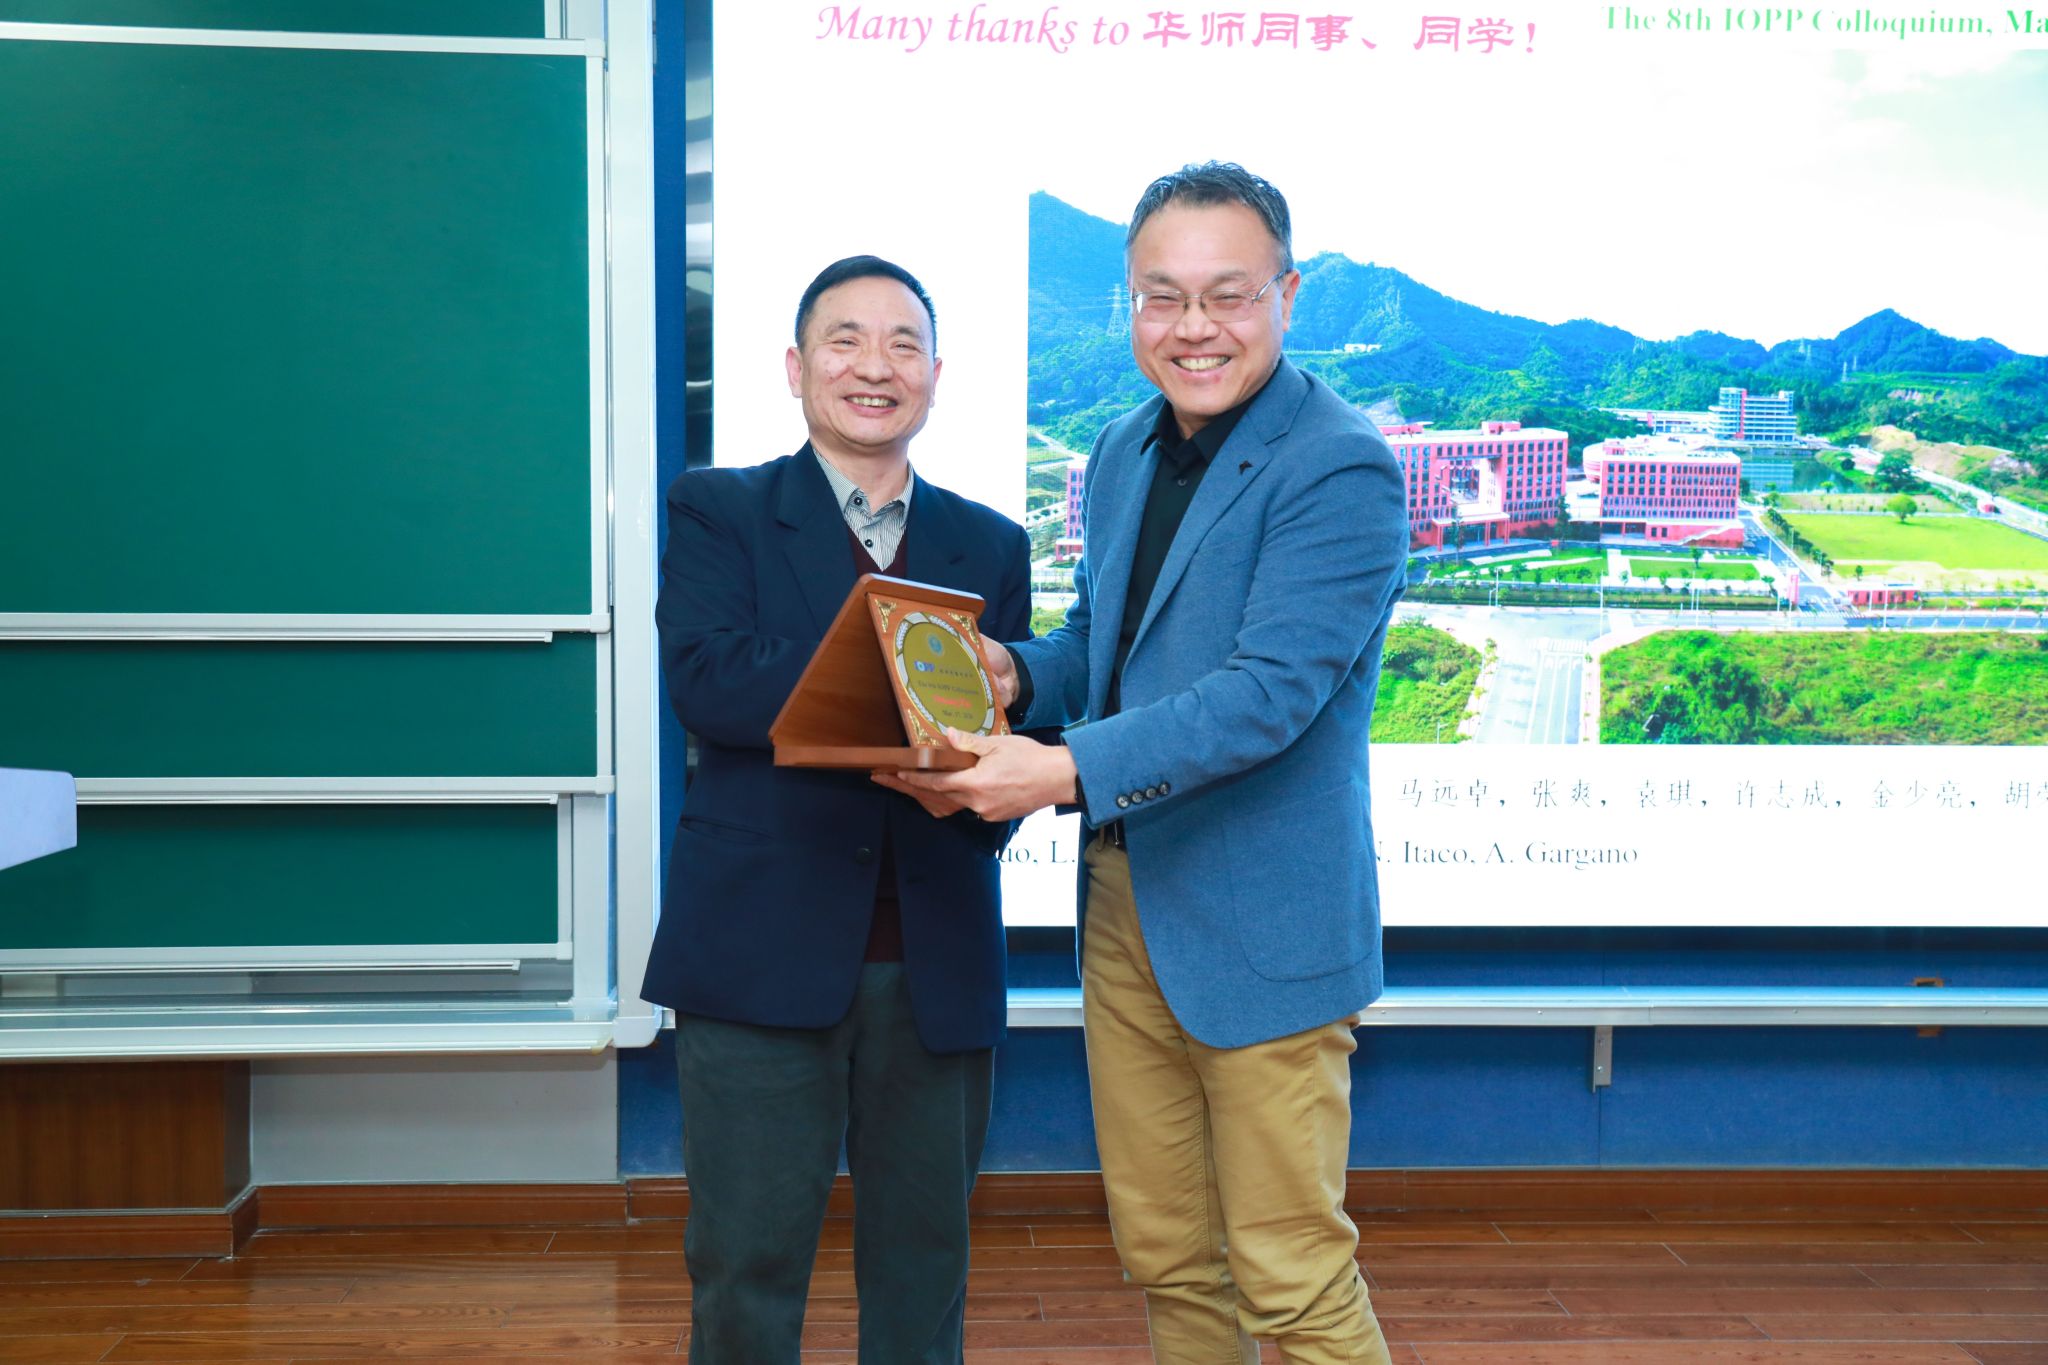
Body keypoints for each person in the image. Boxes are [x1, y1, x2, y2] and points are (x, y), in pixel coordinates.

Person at [896, 164, 1408, 1363]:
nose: (1192, 328)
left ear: (1285, 295)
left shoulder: (1339, 464)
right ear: (1127, 304)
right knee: (1169, 1254)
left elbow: (1265, 697)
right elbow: (1105, 645)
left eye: (1226, 295)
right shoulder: (1124, 448)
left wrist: (1053, 771)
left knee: (1290, 1276)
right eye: (1160, 297)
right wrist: (1016, 677)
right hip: (1126, 906)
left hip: (1261, 927)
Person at [640, 255, 1032, 1363]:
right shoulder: (720, 508)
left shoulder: (990, 544)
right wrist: (907, 670)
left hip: (937, 958)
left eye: (904, 344)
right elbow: (710, 683)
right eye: (845, 340)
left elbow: (1012, 735)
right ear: (796, 366)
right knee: (745, 1272)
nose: (876, 366)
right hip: (756, 955)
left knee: (924, 1272)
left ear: (936, 375)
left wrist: (992, 776)